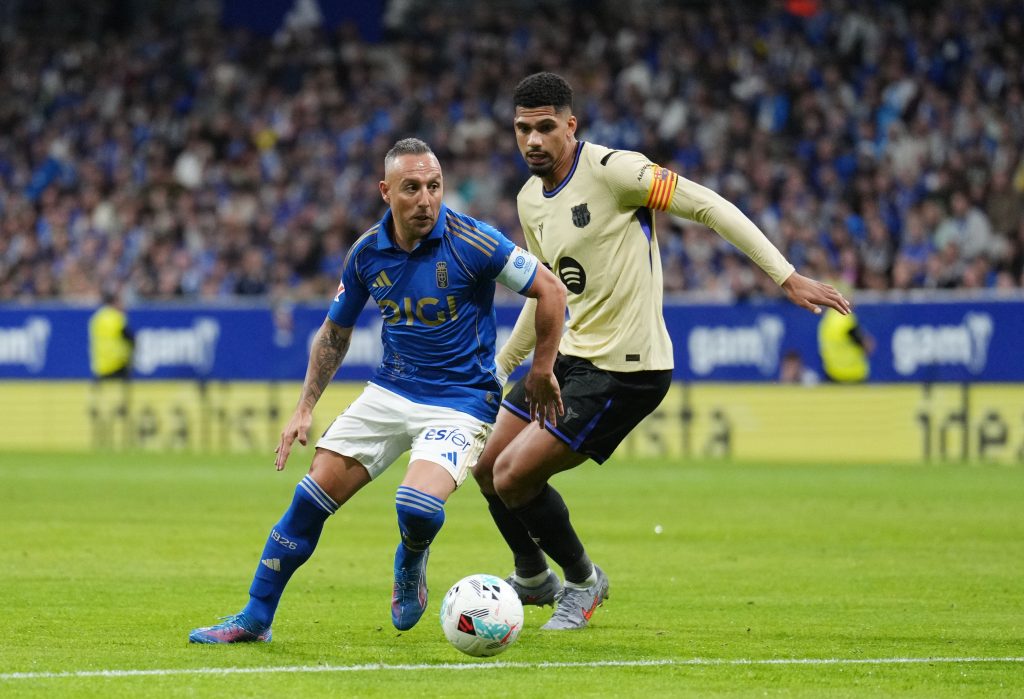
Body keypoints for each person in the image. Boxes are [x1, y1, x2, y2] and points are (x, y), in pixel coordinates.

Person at [472, 72, 852, 631]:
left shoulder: (615, 172)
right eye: (523, 129)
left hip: (628, 368)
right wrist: (501, 367)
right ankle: (532, 576)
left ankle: (581, 581)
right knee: (485, 468)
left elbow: (707, 205)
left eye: (545, 128)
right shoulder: (531, 200)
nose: (532, 140)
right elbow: (549, 292)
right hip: (572, 357)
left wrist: (785, 275)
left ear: (570, 126)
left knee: (512, 476)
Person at [189, 137, 566, 643]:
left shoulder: (474, 241)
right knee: (309, 499)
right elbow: (335, 333)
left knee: (417, 507)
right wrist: (304, 407)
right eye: (412, 187)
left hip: (461, 401)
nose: (426, 199)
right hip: (389, 391)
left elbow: (551, 288)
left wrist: (541, 369)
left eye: (434, 186)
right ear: (386, 191)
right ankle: (255, 617)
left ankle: (410, 556)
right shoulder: (366, 253)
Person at [818, 304, 874, 383]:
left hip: (833, 372)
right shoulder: (845, 318)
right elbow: (865, 343)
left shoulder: (827, 319)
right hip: (853, 373)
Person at [88, 288, 134, 379]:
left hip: (99, 363)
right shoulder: (116, 317)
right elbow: (129, 338)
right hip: (116, 361)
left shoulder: (97, 317)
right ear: (115, 302)